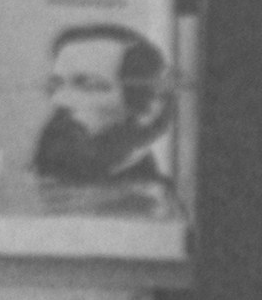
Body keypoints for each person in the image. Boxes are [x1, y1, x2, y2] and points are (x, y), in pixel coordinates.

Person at [27, 20, 180, 199]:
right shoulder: (43, 174)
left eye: (88, 85)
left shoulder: (157, 197)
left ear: (144, 102)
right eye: (58, 84)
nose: (58, 100)